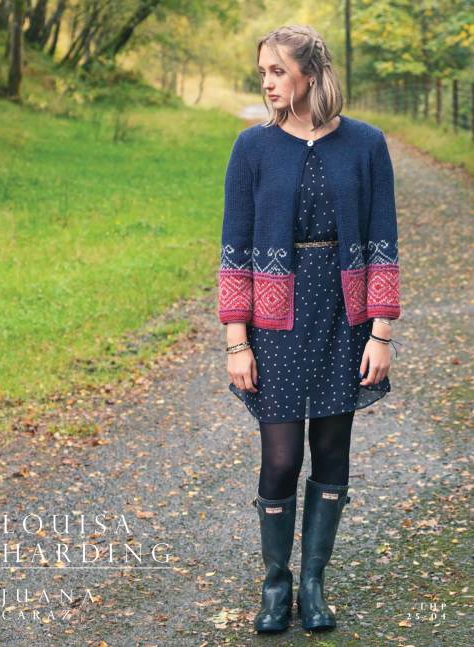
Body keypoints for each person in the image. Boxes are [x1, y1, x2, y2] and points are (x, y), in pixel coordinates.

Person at [217, 25, 402, 633]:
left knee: (331, 451)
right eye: (262, 72)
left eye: (277, 70)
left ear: (311, 74)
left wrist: (381, 332)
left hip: (343, 318)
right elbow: (234, 250)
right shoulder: (252, 147)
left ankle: (314, 583)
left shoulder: (366, 144)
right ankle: (276, 584)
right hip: (274, 321)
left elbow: (382, 241)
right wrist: (236, 341)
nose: (267, 83)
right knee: (281, 459)